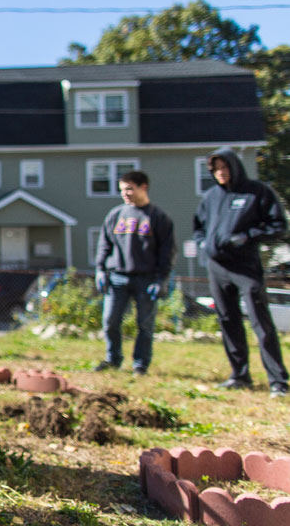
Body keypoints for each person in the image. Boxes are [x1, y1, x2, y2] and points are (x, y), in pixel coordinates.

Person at [193, 147, 289, 397]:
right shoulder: (211, 197)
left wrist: (246, 237)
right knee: (227, 320)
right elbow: (198, 227)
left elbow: (278, 226)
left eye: (225, 168)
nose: (221, 174)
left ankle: (278, 381)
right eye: (216, 170)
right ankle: (239, 375)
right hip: (217, 268)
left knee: (260, 321)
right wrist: (203, 244)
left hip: (245, 267)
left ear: (235, 167)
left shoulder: (257, 192)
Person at [93, 170, 175, 376]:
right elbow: (104, 244)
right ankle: (113, 359)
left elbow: (167, 251)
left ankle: (140, 364)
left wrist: (161, 279)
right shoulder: (115, 215)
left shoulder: (158, 217)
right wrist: (100, 269)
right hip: (117, 277)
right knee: (110, 321)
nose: (125, 194)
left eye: (129, 188)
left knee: (144, 324)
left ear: (143, 187)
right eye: (122, 190)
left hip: (146, 279)